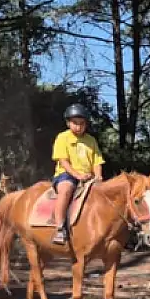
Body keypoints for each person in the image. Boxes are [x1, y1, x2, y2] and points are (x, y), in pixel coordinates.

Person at [48, 104, 105, 245]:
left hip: (88, 177)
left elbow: (97, 161)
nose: (78, 127)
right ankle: (60, 227)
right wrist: (78, 175)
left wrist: (98, 176)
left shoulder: (91, 140)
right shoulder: (62, 138)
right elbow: (63, 161)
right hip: (66, 175)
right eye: (75, 123)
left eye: (82, 123)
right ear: (68, 123)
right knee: (66, 189)